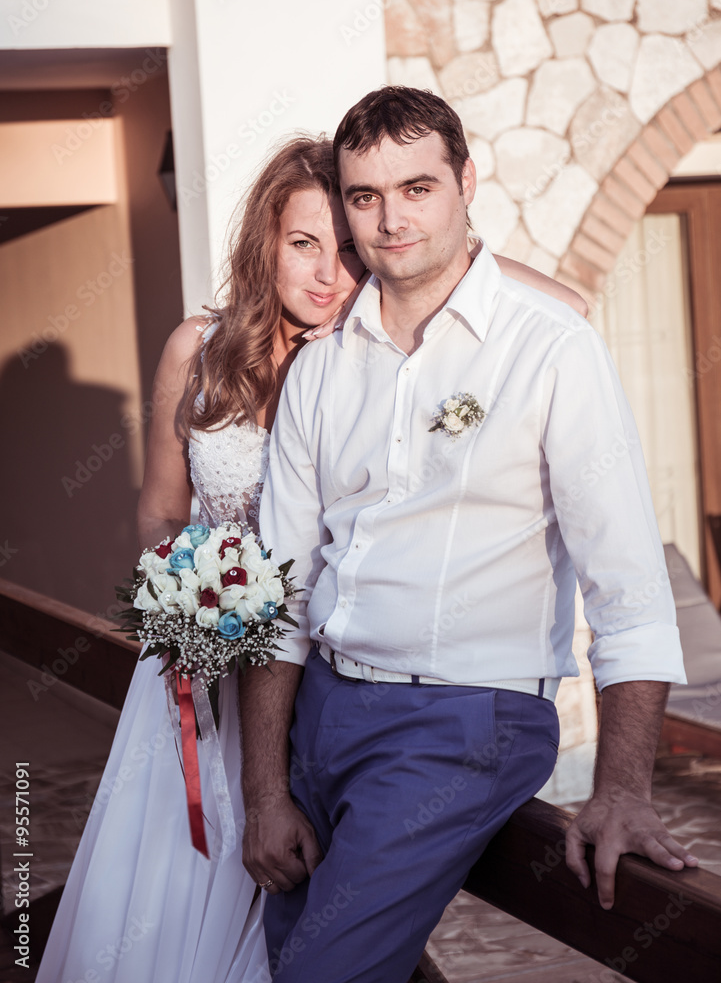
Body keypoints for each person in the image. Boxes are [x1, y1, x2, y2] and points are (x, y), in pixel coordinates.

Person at [36, 133, 583, 983]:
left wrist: (447, 241)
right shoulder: (198, 347)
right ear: (266, 243)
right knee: (186, 875)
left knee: (324, 897)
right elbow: (159, 506)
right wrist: (191, 596)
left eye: (346, 248)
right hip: (204, 665)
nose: (328, 275)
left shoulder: (375, 356)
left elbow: (572, 300)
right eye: (302, 245)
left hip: (319, 678)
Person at [241, 88, 698, 983]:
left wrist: (620, 789)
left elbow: (629, 589)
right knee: (291, 959)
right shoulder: (321, 369)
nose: (390, 217)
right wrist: (265, 789)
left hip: (462, 722)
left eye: (417, 187)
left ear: (466, 183)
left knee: (318, 974)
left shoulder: (550, 350)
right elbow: (281, 592)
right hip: (319, 717)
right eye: (364, 196)